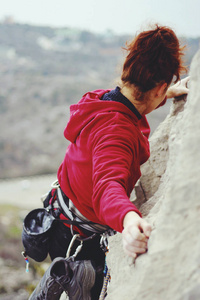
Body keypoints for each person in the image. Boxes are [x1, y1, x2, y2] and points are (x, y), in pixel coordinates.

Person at [28, 24, 189, 300]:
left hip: (60, 217)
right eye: (163, 90)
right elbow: (107, 187)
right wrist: (128, 220)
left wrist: (167, 94)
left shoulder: (101, 100)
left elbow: (138, 100)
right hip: (78, 239)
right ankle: (72, 277)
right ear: (159, 86)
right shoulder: (118, 132)